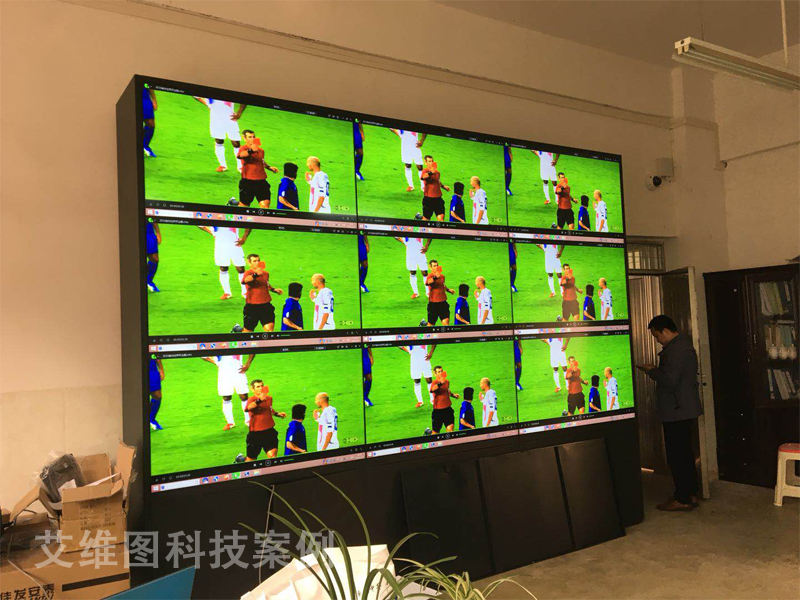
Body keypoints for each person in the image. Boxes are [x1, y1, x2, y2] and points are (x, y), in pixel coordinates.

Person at [637, 315, 703, 512]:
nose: (657, 340)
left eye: (657, 336)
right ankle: (690, 494)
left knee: (677, 457)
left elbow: (670, 380)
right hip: (683, 409)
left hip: (677, 411)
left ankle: (682, 497)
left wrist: (651, 370)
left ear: (665, 331)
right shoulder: (683, 346)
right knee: (685, 455)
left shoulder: (677, 349)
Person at [202, 353, 254, 430]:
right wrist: (215, 362)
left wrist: (247, 364)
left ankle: (248, 420)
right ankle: (230, 422)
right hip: (224, 375)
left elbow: (252, 350)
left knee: (244, 396)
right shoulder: (214, 345)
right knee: (226, 398)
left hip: (239, 372)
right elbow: (203, 355)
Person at [193, 97, 246, 173]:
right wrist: (208, 104)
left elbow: (244, 99)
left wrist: (239, 113)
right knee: (219, 141)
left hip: (230, 118)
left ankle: (240, 166)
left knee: (236, 142)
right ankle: (223, 165)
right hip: (215, 119)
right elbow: (196, 96)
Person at [199, 225, 249, 300]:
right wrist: (212, 232)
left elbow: (248, 223)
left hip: (235, 244)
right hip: (220, 246)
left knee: (240, 268)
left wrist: (244, 237)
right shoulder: (213, 218)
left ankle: (245, 292)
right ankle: (227, 293)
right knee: (223, 268)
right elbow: (199, 224)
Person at [244, 379, 287, 460]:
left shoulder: (269, 398)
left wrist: (277, 414)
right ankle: (240, 460)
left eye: (262, 386)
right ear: (253, 389)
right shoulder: (252, 399)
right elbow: (249, 408)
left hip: (269, 432)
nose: (261, 388)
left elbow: (269, 409)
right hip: (256, 434)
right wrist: (259, 400)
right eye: (258, 387)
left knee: (272, 456)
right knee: (251, 460)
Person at [237, 130, 279, 208]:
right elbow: (241, 155)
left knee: (265, 207)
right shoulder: (243, 148)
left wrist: (269, 167)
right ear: (245, 138)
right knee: (243, 207)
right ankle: (233, 203)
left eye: (253, 137)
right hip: (248, 183)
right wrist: (251, 151)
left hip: (261, 182)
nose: (252, 139)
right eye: (249, 137)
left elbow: (261, 160)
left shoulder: (261, 150)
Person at [242, 254, 283, 333]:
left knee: (269, 331)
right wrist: (256, 275)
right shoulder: (248, 273)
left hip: (266, 306)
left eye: (258, 260)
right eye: (254, 261)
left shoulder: (265, 273)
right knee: (247, 332)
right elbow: (245, 280)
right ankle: (237, 329)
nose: (257, 263)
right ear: (249, 263)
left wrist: (273, 289)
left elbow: (265, 284)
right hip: (252, 307)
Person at [401, 343, 434, 408]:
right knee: (416, 381)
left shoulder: (423, 336)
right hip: (414, 362)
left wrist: (431, 353)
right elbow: (399, 345)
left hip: (425, 359)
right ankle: (420, 401)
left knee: (429, 380)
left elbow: (434, 341)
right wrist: (409, 351)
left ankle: (433, 399)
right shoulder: (407, 337)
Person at [430, 365, 460, 434]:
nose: (440, 373)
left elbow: (447, 391)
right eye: (438, 372)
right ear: (435, 374)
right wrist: (440, 383)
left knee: (450, 430)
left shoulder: (447, 381)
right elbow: (433, 389)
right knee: (435, 433)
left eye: (441, 371)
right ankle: (428, 432)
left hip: (448, 410)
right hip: (438, 412)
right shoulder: (434, 383)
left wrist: (453, 395)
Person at [425, 259, 455, 326]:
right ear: (430, 267)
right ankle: (423, 324)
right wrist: (435, 277)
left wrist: (448, 290)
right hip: (433, 304)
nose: (436, 267)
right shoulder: (430, 276)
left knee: (446, 324)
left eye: (437, 265)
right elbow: (428, 282)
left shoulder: (442, 276)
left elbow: (442, 285)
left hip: (443, 303)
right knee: (431, 326)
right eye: (434, 266)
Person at [420, 155, 450, 221]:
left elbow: (438, 181)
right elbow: (423, 177)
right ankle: (419, 217)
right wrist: (431, 172)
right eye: (429, 161)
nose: (431, 163)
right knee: (426, 220)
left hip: (438, 199)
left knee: (441, 220)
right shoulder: (425, 171)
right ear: (426, 162)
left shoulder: (437, 172)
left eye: (432, 161)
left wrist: (443, 187)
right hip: (428, 199)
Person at [148, 358, 165, 430]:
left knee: (157, 395)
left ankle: (151, 419)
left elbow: (156, 354)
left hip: (152, 368)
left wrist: (161, 369)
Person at [145, 221, 161, 292]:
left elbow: (153, 218)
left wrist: (158, 233)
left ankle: (148, 280)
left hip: (149, 232)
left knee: (154, 258)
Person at [142, 84, 157, 157]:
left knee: (151, 124)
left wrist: (154, 99)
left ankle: (144, 145)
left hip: (145, 97)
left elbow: (148, 85)